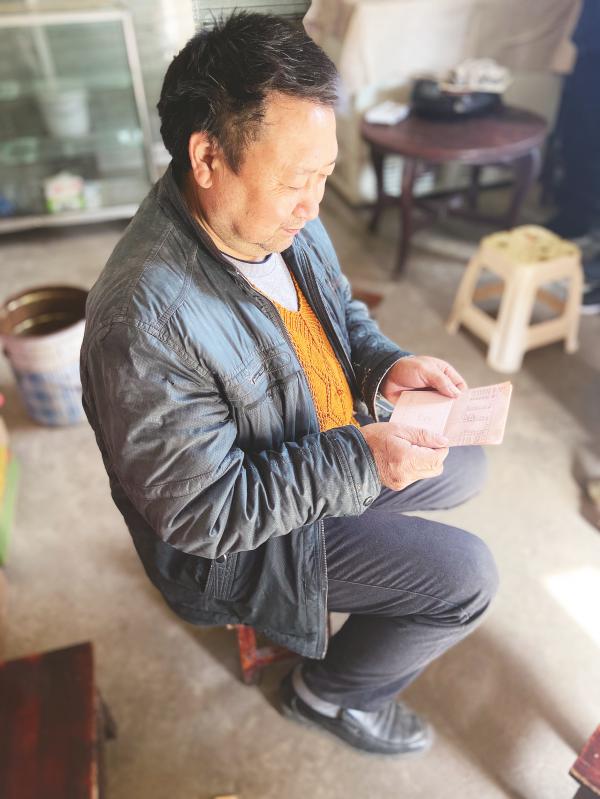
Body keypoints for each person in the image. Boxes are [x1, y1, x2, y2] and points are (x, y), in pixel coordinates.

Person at [80, 12, 498, 757]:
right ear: (207, 157)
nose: (313, 204)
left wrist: (384, 365)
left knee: (466, 457)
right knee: (467, 577)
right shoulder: (142, 324)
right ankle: (326, 694)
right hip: (244, 543)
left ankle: (369, 548)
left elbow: (337, 311)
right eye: (296, 181)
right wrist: (363, 458)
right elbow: (207, 513)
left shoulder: (278, 215)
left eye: (324, 176)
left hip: (311, 434)